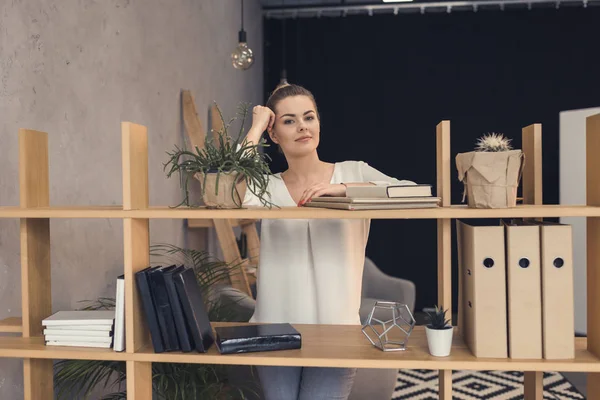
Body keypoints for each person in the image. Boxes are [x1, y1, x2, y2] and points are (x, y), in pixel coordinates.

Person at [241, 83, 415, 400]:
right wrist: (255, 125)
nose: (303, 126)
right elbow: (231, 191)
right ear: (274, 134)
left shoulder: (354, 173)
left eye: (309, 117)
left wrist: (345, 189)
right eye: (289, 120)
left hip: (339, 331)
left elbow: (413, 193)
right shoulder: (264, 187)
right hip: (274, 330)